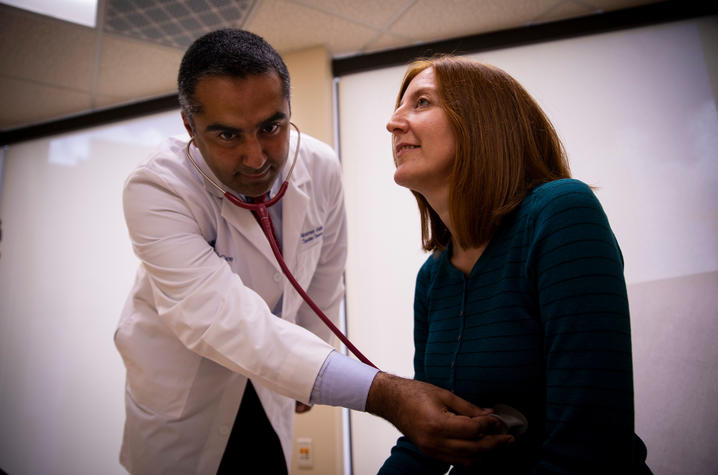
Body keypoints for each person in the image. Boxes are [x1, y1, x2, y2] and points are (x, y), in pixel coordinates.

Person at [115, 30, 513, 475]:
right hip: (186, 405)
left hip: (271, 391)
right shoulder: (157, 189)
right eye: (227, 135)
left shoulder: (319, 167)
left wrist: (309, 370)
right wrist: (384, 393)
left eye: (271, 127)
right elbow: (222, 321)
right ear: (190, 127)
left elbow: (324, 280)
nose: (255, 158)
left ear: (289, 110)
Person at [379, 56, 653, 474]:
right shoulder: (433, 277)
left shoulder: (561, 212)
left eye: (421, 103)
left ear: (483, 121)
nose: (393, 123)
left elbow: (589, 448)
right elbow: (429, 441)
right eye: (400, 106)